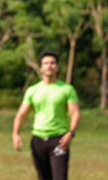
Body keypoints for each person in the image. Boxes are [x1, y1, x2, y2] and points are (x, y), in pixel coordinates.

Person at [12, 51, 80, 180]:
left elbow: (75, 112)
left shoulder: (66, 89)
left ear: (57, 67)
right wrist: (15, 134)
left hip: (59, 140)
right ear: (41, 67)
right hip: (38, 140)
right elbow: (21, 114)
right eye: (46, 63)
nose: (49, 66)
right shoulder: (33, 90)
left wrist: (71, 133)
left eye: (52, 63)